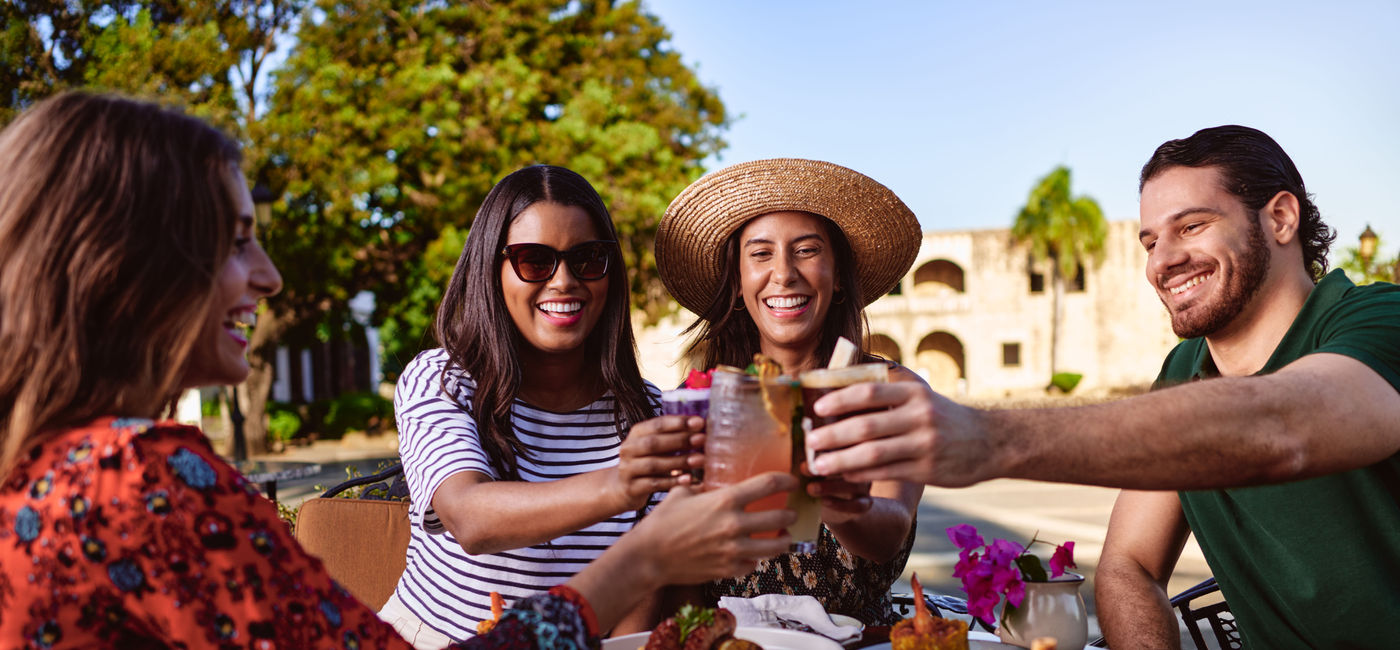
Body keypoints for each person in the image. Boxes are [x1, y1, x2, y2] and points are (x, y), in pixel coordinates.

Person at [0, 92, 799, 649]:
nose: (272, 275)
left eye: (589, 259)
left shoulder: (49, 468)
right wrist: (645, 545)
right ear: (130, 264)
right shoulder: (145, 483)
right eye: (238, 237)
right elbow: (470, 515)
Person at [803, 126, 1400, 647]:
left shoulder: (1377, 319)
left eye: (1191, 226)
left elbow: (1284, 426)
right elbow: (1128, 565)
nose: (1162, 261)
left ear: (1280, 218)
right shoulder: (1185, 369)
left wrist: (983, 437)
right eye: (1149, 241)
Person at [384, 164, 709, 646]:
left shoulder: (652, 413)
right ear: (491, 271)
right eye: (534, 261)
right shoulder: (443, 380)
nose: (563, 281)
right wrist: (625, 483)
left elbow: (648, 588)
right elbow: (470, 517)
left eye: (587, 259)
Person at [653, 158, 927, 626]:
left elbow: (890, 531)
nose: (783, 274)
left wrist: (825, 493)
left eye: (805, 251)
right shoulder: (702, 403)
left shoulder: (891, 393)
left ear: (838, 276)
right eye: (760, 254)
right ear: (738, 283)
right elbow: (678, 568)